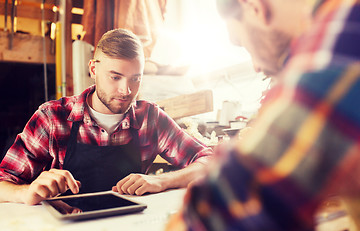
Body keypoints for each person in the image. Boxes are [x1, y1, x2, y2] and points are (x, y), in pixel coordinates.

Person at [162, 0, 360, 231]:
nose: (255, 66)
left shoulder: (343, 33)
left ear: (254, 7)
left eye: (242, 43)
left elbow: (222, 217)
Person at [0, 28, 213, 206]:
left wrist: (162, 181)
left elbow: (209, 161)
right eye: (115, 77)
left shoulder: (150, 117)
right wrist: (25, 192)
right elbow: (3, 183)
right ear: (93, 68)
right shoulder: (52, 117)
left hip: (130, 230)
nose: (126, 90)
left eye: (135, 79)